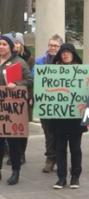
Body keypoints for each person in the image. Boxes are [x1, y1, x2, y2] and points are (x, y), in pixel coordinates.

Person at [51, 43, 87, 189]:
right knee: (59, 148)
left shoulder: (81, 71)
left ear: (73, 54)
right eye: (63, 52)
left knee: (75, 148)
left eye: (68, 52)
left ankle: (75, 176)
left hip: (75, 117)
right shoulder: (52, 71)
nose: (65, 55)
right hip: (58, 116)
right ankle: (61, 177)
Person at [0, 34, 33, 185]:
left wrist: (17, 84)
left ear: (11, 47)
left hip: (12, 110)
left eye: (4, 44)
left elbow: (29, 80)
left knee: (13, 143)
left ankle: (15, 171)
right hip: (1, 108)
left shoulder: (19, 62)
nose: (1, 47)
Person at [34, 34, 63, 173]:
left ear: (60, 47)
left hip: (61, 103)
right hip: (45, 102)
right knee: (48, 131)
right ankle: (50, 158)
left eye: (56, 46)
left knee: (60, 132)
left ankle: (60, 157)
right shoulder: (40, 61)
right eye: (51, 45)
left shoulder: (65, 62)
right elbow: (35, 77)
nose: (53, 48)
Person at [6, 32, 34, 166]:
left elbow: (30, 80)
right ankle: (12, 153)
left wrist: (18, 85)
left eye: (18, 42)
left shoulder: (27, 59)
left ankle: (20, 154)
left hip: (23, 98)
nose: (16, 45)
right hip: (6, 99)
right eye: (14, 43)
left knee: (20, 128)